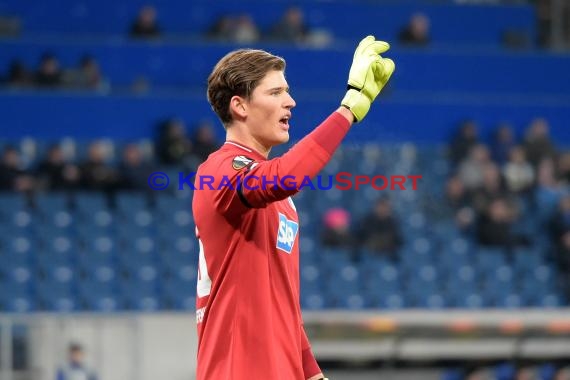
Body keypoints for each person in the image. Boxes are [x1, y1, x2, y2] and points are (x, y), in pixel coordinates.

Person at [192, 36, 395, 379]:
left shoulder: (280, 202)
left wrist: (311, 372)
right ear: (240, 106)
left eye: (287, 91)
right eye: (275, 93)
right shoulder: (219, 170)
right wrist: (349, 107)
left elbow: (281, 301)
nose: (291, 102)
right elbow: (285, 176)